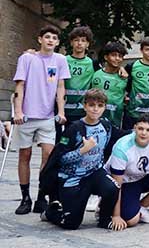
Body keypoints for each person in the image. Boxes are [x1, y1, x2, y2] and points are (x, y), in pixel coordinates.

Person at [41, 89, 120, 230]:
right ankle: (51, 212)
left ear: (104, 107)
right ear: (84, 106)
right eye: (91, 105)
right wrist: (82, 150)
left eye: (100, 105)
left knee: (112, 187)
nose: (95, 109)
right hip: (73, 178)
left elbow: (120, 135)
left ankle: (104, 219)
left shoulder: (106, 125)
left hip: (94, 172)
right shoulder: (74, 129)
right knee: (71, 223)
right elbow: (61, 159)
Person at [13, 25, 71, 215]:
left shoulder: (60, 60)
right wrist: (18, 111)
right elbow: (20, 85)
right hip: (27, 116)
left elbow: (61, 87)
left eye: (54, 38)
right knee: (25, 155)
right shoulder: (27, 58)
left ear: (58, 42)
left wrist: (61, 111)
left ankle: (41, 196)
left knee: (48, 155)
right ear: (39, 39)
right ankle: (25, 198)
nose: (50, 40)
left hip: (47, 117)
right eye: (47, 37)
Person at [123, 37, 149, 130]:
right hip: (133, 112)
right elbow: (123, 81)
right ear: (141, 50)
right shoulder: (132, 66)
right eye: (147, 49)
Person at [63, 26, 96, 128]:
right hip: (62, 108)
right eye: (76, 40)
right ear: (71, 43)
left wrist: (121, 70)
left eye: (83, 41)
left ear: (87, 44)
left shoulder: (92, 63)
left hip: (81, 110)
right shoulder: (63, 60)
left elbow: (108, 71)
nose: (79, 43)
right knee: (61, 140)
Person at [90, 41, 129, 127]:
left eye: (120, 56)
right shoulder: (95, 74)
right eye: (114, 55)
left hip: (115, 122)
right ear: (106, 57)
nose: (117, 58)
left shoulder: (125, 77)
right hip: (95, 121)